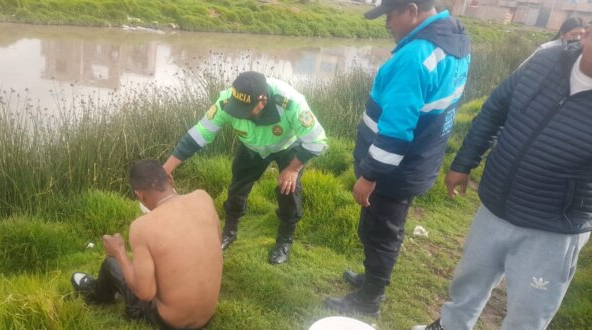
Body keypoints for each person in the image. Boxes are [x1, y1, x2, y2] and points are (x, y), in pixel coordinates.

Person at [413, 25, 592, 330]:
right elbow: (495, 109)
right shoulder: (545, 61)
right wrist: (464, 162)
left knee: (528, 312)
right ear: (586, 34)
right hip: (496, 203)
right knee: (469, 281)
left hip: (553, 226)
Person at [324, 0, 471, 317]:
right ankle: (371, 281)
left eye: (390, 16)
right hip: (421, 158)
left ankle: (369, 300)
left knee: (380, 234)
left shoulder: (415, 57)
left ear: (412, 10)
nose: (387, 24)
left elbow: (396, 132)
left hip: (394, 171)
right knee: (384, 229)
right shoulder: (455, 38)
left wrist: (369, 176)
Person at [162, 71, 327, 264]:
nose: (238, 114)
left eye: (244, 110)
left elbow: (317, 141)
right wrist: (165, 170)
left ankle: (284, 240)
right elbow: (198, 134)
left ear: (262, 102)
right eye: (236, 108)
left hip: (286, 147)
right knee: (238, 186)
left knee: (288, 191)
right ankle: (229, 232)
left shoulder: (289, 102)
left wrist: (292, 169)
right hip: (252, 147)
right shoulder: (226, 102)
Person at [71, 159, 222, 329]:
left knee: (111, 264)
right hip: (207, 314)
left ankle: (95, 293)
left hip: (172, 323)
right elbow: (216, 242)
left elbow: (145, 293)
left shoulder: (142, 227)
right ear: (169, 178)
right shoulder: (203, 197)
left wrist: (119, 251)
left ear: (140, 195)